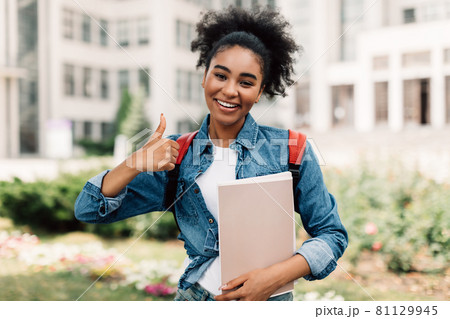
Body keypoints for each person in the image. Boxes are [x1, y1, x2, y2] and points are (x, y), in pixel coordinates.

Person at [74, 6, 348, 301]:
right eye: (221, 76)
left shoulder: (292, 150)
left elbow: (331, 235)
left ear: (259, 91)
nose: (230, 91)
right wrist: (134, 163)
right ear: (204, 77)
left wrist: (274, 278)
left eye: (246, 82)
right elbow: (89, 210)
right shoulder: (177, 157)